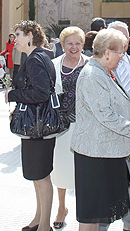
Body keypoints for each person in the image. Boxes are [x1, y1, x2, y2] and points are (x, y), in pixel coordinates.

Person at [71, 29, 130, 231]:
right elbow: (107, 116)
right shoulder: (92, 75)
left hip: (103, 153)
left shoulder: (102, 71)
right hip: (93, 156)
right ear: (107, 52)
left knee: (96, 215)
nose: (122, 58)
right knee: (91, 217)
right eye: (120, 53)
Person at [5, 20, 56, 231]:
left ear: (29, 35)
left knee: (42, 177)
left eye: (17, 35)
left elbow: (41, 93)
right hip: (37, 125)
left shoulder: (35, 59)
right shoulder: (37, 56)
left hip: (38, 126)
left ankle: (44, 226)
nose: (14, 40)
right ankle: (38, 219)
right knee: (37, 176)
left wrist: (13, 94)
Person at [100, 21, 130, 231]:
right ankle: (102, 224)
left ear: (129, 41)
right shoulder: (99, 66)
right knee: (106, 187)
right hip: (108, 137)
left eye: (123, 38)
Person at [51, 26, 89, 230]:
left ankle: (85, 211)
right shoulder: (54, 65)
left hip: (86, 126)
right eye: (69, 43)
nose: (74, 47)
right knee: (61, 168)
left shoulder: (92, 65)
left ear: (83, 45)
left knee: (84, 171)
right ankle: (61, 207)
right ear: (62, 44)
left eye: (77, 43)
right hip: (62, 126)